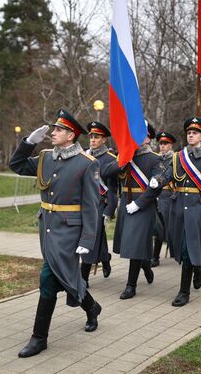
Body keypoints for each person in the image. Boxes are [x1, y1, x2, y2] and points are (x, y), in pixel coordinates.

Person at [9, 109, 102, 358]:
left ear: (71, 135)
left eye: (59, 130)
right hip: (47, 227)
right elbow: (16, 165)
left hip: (70, 231)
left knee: (48, 278)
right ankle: (92, 307)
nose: (53, 133)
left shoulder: (86, 163)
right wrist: (28, 143)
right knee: (65, 275)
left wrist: (87, 239)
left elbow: (92, 206)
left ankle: (39, 338)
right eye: (54, 129)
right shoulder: (45, 157)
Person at [151, 117, 201, 306]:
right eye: (189, 132)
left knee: (187, 249)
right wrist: (157, 180)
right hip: (177, 208)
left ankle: (184, 291)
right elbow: (168, 175)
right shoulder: (179, 157)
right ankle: (198, 267)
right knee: (181, 248)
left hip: (197, 208)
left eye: (195, 133)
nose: (191, 135)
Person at [101, 123, 162, 300]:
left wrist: (140, 203)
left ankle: (131, 285)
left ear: (148, 138)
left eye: (140, 135)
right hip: (125, 204)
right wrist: (123, 159)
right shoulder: (126, 156)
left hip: (142, 206)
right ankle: (145, 266)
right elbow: (106, 172)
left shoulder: (154, 159)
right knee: (129, 243)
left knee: (134, 244)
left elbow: (156, 187)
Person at [80, 121, 117, 287]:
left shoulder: (110, 159)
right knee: (96, 236)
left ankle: (83, 278)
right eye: (91, 136)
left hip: (100, 204)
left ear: (104, 140)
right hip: (83, 203)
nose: (93, 140)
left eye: (97, 137)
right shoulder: (84, 156)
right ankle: (105, 258)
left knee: (91, 237)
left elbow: (112, 188)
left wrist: (109, 210)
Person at [151, 131, 177, 267]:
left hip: (169, 196)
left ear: (171, 145)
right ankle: (155, 257)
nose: (162, 146)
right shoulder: (155, 158)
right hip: (155, 196)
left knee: (171, 228)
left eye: (165, 143)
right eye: (161, 143)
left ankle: (176, 251)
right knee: (156, 229)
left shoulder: (175, 159)